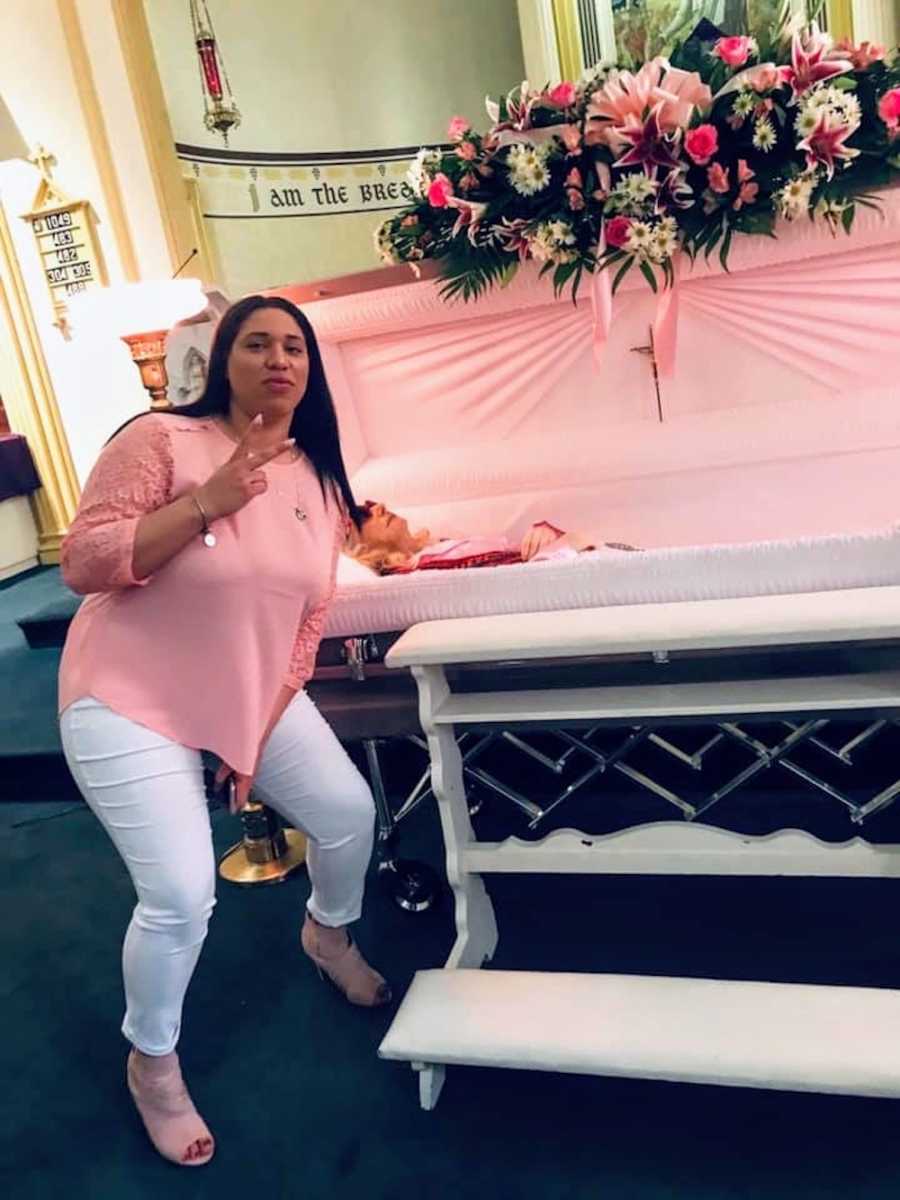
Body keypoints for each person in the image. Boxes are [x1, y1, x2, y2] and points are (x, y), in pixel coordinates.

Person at [58, 295, 389, 1170]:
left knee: (349, 813)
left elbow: (307, 626)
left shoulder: (319, 477)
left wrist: (251, 732)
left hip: (245, 692)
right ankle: (153, 1063)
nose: (279, 358)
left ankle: (327, 930)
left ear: (309, 371)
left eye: (294, 346)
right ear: (220, 357)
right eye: (257, 343)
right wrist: (208, 500)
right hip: (127, 694)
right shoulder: (161, 439)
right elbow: (85, 562)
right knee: (180, 892)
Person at [344, 501, 640, 574]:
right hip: (577, 565)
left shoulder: (436, 550)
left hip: (581, 560)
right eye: (363, 514)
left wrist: (548, 534)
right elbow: (511, 580)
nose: (378, 506)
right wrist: (568, 543)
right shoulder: (420, 570)